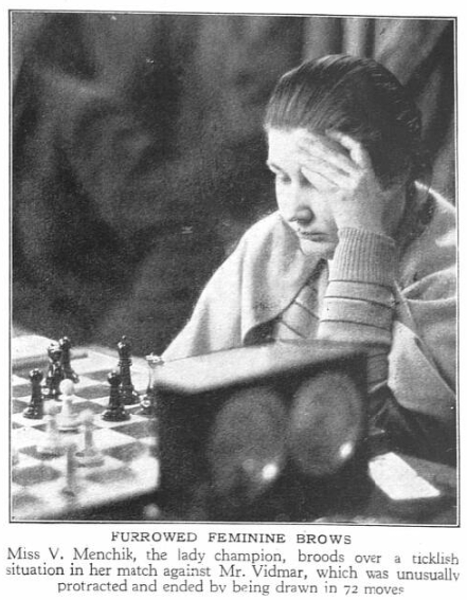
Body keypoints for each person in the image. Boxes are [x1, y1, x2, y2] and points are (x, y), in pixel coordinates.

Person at [163, 54, 456, 465]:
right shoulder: (272, 240)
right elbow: (181, 381)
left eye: (318, 182)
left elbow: (357, 443)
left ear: (392, 177)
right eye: (282, 177)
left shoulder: (451, 275)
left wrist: (361, 242)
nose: (292, 210)